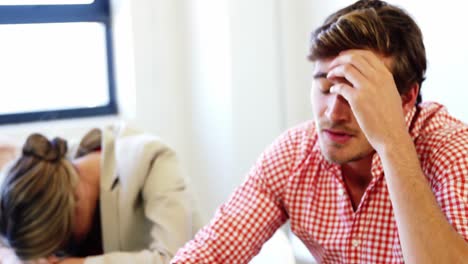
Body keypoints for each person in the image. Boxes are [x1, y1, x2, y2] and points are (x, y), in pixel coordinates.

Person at [171, 0, 468, 263]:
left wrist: (392, 145)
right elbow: (213, 249)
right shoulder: (296, 152)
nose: (333, 114)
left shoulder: (451, 151)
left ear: (406, 97)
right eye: (325, 88)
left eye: (355, 94)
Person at [0, 122, 201, 264]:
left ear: (75, 205)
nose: (55, 257)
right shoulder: (41, 178)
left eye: (59, 247)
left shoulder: (152, 160)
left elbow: (177, 259)